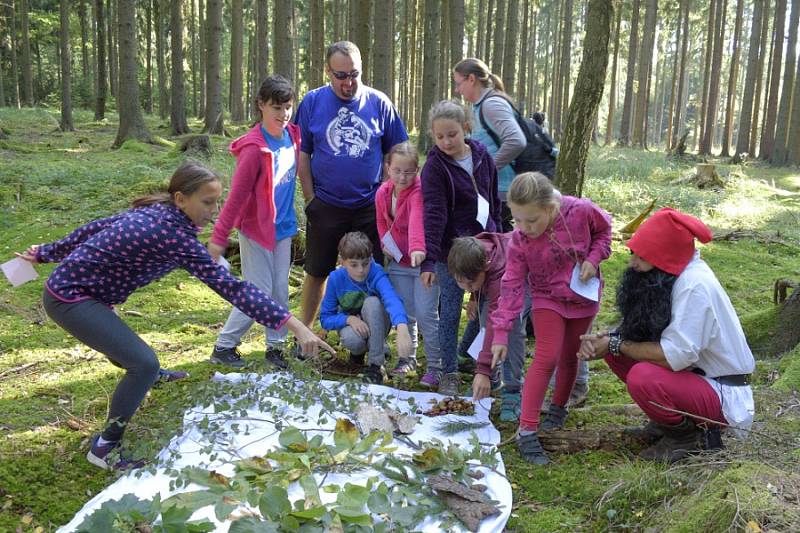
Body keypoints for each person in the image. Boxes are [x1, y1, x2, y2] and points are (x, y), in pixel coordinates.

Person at [16, 162, 333, 470]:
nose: (214, 211)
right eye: (207, 202)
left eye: (217, 202)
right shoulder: (174, 236)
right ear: (181, 199)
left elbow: (98, 226)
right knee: (143, 363)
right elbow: (234, 289)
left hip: (89, 293)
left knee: (133, 356)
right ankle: (105, 446)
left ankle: (148, 378)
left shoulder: (163, 215)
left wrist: (45, 252)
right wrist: (294, 325)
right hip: (71, 298)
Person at [578, 208, 755, 463]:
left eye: (641, 256)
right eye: (633, 253)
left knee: (641, 374)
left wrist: (617, 343)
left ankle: (683, 437)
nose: (633, 263)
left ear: (664, 256)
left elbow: (675, 356)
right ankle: (665, 422)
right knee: (616, 352)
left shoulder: (695, 286)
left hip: (723, 394)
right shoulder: (672, 275)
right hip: (697, 378)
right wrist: (608, 341)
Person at [491, 172, 612, 465]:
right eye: (516, 220)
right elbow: (511, 285)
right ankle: (527, 430)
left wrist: (593, 260)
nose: (523, 228)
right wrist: (501, 332)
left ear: (550, 207)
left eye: (531, 220)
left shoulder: (581, 210)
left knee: (571, 357)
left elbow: (604, 233)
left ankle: (558, 409)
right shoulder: (520, 240)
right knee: (546, 357)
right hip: (547, 297)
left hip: (583, 297)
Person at [294, 40, 409, 336]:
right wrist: (310, 198)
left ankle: (373, 337)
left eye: (354, 74)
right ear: (328, 72)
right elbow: (302, 153)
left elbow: (398, 150)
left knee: (373, 271)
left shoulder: (379, 102)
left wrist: (388, 195)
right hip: (326, 204)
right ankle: (304, 334)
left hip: (370, 206)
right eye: (341, 75)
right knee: (317, 271)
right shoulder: (312, 102)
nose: (348, 82)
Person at [207, 75, 300, 369]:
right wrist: (219, 238)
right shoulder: (253, 148)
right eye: (276, 107)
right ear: (261, 105)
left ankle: (275, 347)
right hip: (256, 230)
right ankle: (224, 345)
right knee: (256, 292)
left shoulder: (292, 135)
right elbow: (236, 197)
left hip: (284, 228)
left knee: (279, 291)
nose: (283, 114)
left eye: (287, 107)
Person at [421, 99, 502, 396]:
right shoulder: (434, 168)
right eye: (439, 136)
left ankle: (478, 358)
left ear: (466, 128)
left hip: (484, 248)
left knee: (486, 308)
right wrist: (430, 260)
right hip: (449, 252)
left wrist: (500, 238)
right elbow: (433, 213)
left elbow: (493, 200)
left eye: (452, 134)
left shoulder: (482, 155)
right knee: (451, 311)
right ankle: (449, 371)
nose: (446, 142)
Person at [374, 141, 441, 378]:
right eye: (397, 171)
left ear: (417, 170)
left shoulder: (418, 193)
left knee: (426, 315)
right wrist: (385, 244)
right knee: (405, 313)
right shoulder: (382, 193)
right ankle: (407, 359)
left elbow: (416, 222)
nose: (402, 177)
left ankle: (436, 366)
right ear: (388, 168)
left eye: (408, 172)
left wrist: (417, 249)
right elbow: (382, 224)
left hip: (422, 264)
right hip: (398, 262)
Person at [448, 234, 527, 422]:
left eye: (471, 283)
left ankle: (513, 390)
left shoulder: (500, 274)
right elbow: (478, 284)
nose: (466, 287)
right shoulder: (468, 254)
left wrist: (482, 370)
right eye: (461, 282)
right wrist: (475, 296)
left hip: (531, 283)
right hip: (496, 286)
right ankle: (492, 377)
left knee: (511, 329)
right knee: (484, 319)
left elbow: (496, 320)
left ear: (486, 266)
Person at [319, 232, 413, 384]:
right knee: (352, 340)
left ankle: (376, 365)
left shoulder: (376, 272)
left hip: (378, 321)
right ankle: (360, 352)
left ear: (371, 259)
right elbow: (325, 318)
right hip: (353, 326)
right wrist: (348, 319)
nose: (361, 270)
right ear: (342, 262)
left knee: (372, 303)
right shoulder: (336, 279)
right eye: (354, 265)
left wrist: (402, 327)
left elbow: (391, 299)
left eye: (365, 263)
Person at [453, 58, 526, 233]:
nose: (457, 89)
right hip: (494, 189)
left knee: (495, 241)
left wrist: (487, 168)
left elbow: (516, 141)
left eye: (458, 83)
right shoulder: (481, 106)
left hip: (502, 190)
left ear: (471, 79)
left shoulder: (492, 104)